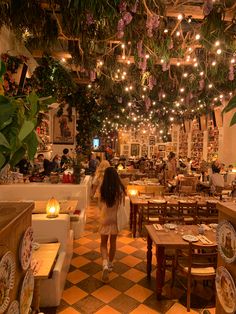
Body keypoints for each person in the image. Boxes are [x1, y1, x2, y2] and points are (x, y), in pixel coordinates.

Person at [99, 167, 125, 282]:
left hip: (105, 218)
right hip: (115, 219)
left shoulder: (103, 188)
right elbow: (122, 204)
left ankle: (104, 263)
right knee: (113, 242)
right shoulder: (119, 190)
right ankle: (110, 264)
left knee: (103, 243)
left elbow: (100, 204)